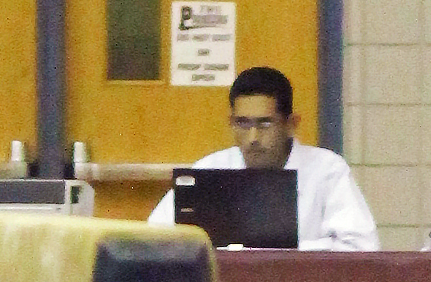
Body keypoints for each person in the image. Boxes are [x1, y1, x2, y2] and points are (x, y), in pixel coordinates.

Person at [148, 65, 379, 251]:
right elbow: (154, 239)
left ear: (291, 124)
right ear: (231, 123)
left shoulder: (326, 170)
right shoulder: (210, 169)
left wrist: (280, 252)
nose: (253, 138)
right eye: (242, 123)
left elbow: (362, 248)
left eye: (265, 124)